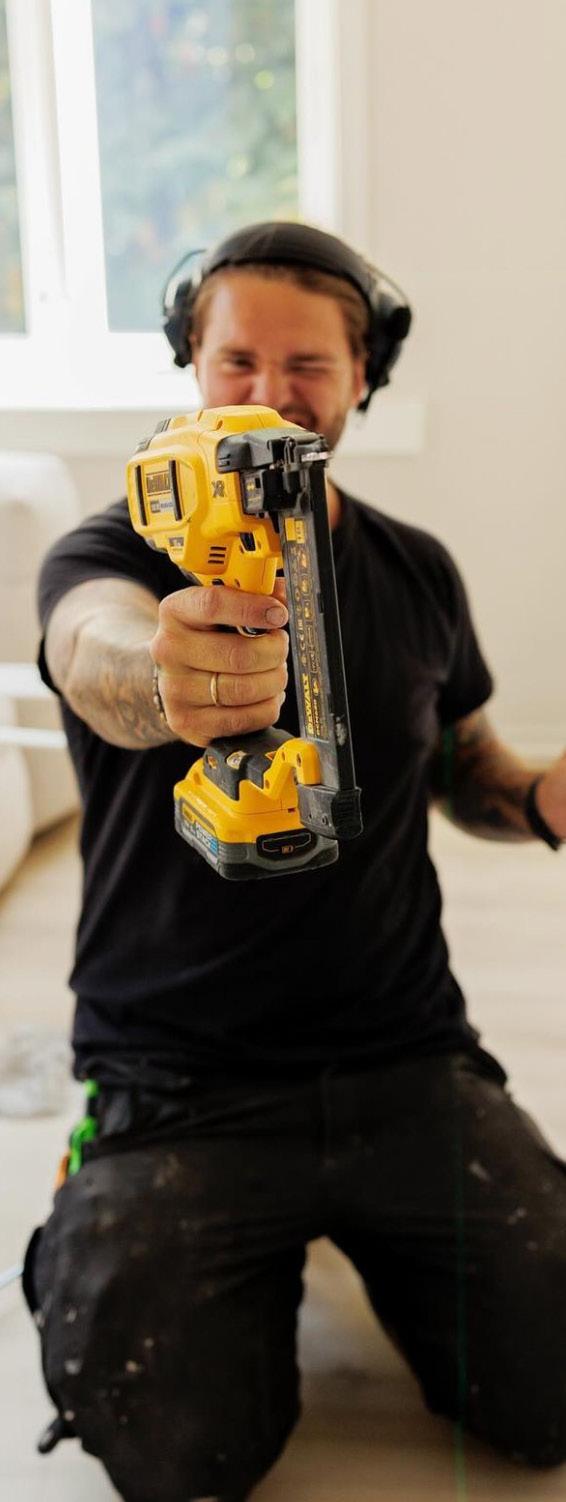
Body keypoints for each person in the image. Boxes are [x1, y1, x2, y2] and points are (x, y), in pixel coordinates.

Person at [23, 221, 566, 1502]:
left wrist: (540, 797)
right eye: (236, 360)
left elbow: (465, 770)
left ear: (362, 376)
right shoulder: (110, 559)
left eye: (308, 364)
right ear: (190, 364)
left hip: (399, 1050)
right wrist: (164, 671)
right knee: (180, 1453)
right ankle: (99, 1198)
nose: (270, 392)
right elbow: (93, 652)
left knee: (547, 1389)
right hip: (179, 1074)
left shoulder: (414, 570)